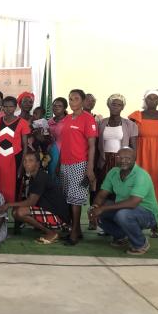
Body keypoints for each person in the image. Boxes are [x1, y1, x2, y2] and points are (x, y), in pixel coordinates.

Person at [89, 147, 158, 255]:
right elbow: (102, 194)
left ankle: (141, 244)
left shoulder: (141, 175)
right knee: (99, 211)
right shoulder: (113, 172)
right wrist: (94, 208)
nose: (123, 160)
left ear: (134, 159)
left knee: (122, 214)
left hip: (147, 214)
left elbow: (133, 203)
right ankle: (122, 236)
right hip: (124, 209)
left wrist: (102, 208)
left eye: (127, 158)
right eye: (120, 157)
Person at [128, 89, 158, 236]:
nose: (152, 101)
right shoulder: (136, 116)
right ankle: (136, 222)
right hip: (140, 156)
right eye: (149, 98)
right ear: (145, 99)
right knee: (137, 186)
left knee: (156, 188)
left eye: (155, 99)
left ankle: (154, 224)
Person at [2, 151, 70, 243]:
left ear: (37, 163)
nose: (26, 164)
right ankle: (50, 230)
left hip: (60, 219)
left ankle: (51, 233)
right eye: (25, 161)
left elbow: (31, 202)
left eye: (30, 161)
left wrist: (8, 204)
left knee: (19, 212)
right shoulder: (34, 177)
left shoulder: (40, 177)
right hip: (51, 213)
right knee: (16, 212)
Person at [58, 89, 98, 245]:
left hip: (79, 164)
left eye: (75, 98)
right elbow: (64, 142)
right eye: (70, 98)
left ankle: (74, 233)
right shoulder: (67, 118)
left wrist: (89, 168)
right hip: (65, 164)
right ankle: (76, 230)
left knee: (76, 200)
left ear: (83, 101)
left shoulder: (88, 119)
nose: (72, 101)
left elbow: (92, 146)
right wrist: (59, 163)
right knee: (68, 199)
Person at [97, 94, 138, 186]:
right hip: (104, 160)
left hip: (121, 160)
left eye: (119, 105)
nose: (115, 107)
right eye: (113, 104)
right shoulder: (101, 123)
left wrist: (131, 164)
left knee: (120, 185)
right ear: (109, 105)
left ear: (122, 107)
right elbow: (97, 145)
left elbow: (134, 148)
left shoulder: (130, 125)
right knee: (105, 186)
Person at [0, 96, 30, 204]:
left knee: (15, 188)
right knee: (0, 187)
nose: (8, 109)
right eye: (5, 106)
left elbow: (25, 146)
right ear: (2, 108)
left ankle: (15, 216)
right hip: (0, 159)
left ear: (15, 107)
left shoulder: (23, 123)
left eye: (11, 106)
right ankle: (1, 214)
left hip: (15, 159)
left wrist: (22, 166)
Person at [47, 97, 68, 179]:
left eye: (59, 106)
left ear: (65, 108)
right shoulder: (49, 122)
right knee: (51, 177)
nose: (56, 108)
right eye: (54, 106)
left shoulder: (68, 121)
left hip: (63, 153)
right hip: (50, 153)